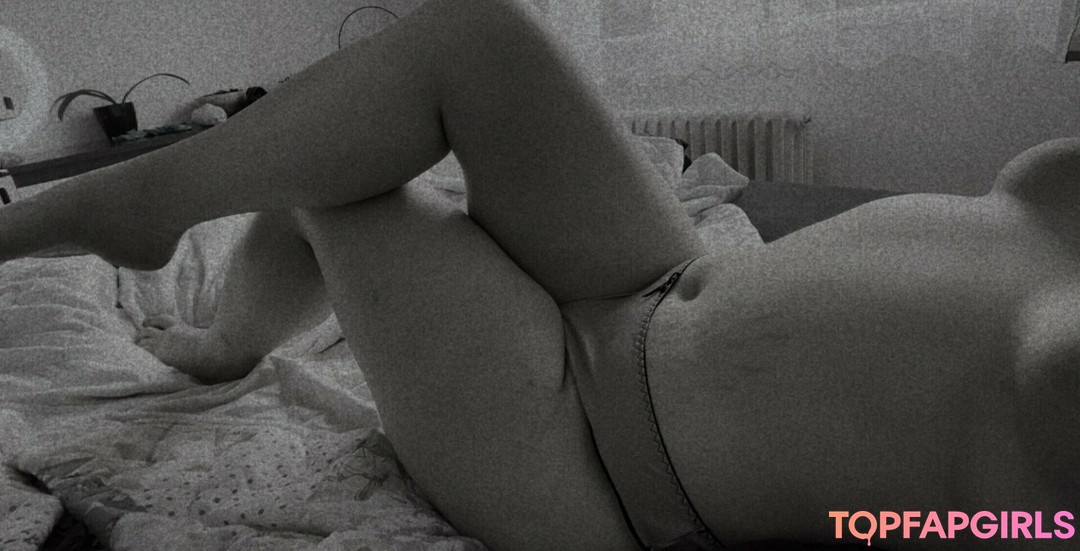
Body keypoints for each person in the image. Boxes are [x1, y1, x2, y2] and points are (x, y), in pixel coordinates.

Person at [3, 0, 1078, 549]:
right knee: (480, 38)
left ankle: (137, 237)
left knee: (339, 188)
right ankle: (185, 268)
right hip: (659, 279)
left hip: (596, 458)